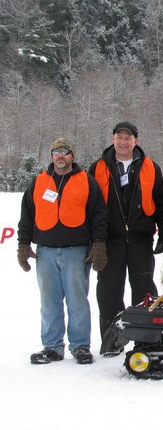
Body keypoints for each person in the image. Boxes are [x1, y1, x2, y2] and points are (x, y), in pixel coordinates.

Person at [17, 138, 108, 365]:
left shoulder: (86, 181)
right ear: (51, 156)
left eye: (65, 152)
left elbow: (99, 214)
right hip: (45, 251)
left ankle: (80, 347)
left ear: (72, 156)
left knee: (77, 301)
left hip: (76, 250)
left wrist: (99, 243)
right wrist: (23, 244)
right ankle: (52, 347)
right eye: (56, 152)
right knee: (49, 302)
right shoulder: (39, 182)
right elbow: (27, 215)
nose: (61, 156)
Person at [88, 122, 163, 351]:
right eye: (119, 137)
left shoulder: (151, 167)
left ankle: (146, 341)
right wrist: (94, 242)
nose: (123, 142)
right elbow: (90, 207)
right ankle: (112, 341)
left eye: (128, 138)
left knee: (144, 291)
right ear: (113, 139)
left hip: (140, 239)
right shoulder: (98, 167)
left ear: (136, 140)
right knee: (109, 292)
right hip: (109, 242)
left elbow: (161, 202)